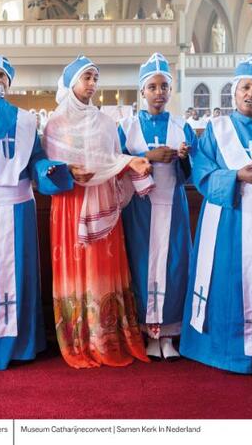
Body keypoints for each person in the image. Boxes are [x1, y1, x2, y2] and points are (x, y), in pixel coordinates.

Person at [0, 55, 72, 370]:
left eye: (2, 77)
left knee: (19, 272)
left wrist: (47, 168)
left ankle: (22, 343)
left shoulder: (25, 120)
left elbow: (35, 157)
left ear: (9, 83)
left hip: (20, 204)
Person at [43, 55, 153, 369]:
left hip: (102, 202)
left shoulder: (106, 123)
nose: (92, 84)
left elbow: (113, 160)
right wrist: (67, 171)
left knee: (103, 269)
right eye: (86, 78)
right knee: (77, 270)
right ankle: (80, 339)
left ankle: (107, 337)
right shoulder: (55, 124)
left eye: (95, 78)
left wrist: (131, 164)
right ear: (71, 82)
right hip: (69, 204)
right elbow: (48, 168)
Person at [180, 54, 252, 374]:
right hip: (228, 220)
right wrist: (237, 177)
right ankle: (224, 350)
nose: (251, 94)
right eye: (246, 87)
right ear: (235, 90)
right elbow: (202, 173)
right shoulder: (217, 129)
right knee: (228, 281)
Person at [118, 53, 197, 360]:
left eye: (164, 86)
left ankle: (168, 335)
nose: (159, 92)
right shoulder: (127, 126)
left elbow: (193, 173)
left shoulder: (182, 126)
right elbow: (117, 164)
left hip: (172, 205)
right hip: (141, 208)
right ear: (142, 91)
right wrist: (149, 157)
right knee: (142, 265)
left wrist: (184, 157)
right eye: (152, 87)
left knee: (175, 266)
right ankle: (147, 332)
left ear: (170, 90)